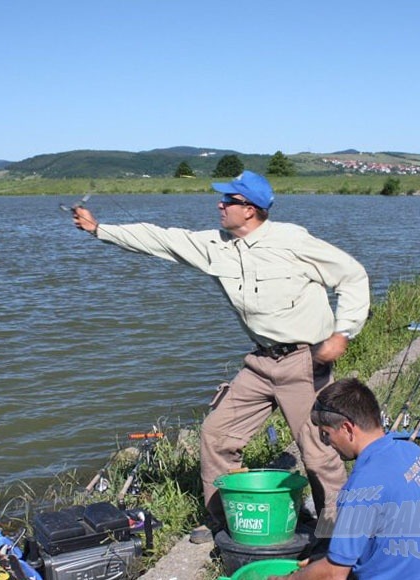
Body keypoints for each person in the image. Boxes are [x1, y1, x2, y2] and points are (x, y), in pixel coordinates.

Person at [70, 171, 370, 542]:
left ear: (249, 210)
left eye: (227, 200)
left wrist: (342, 333)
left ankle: (337, 528)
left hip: (304, 362)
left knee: (316, 448)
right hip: (261, 362)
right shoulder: (216, 245)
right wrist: (100, 229)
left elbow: (353, 275)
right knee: (215, 433)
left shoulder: (292, 240)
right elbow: (161, 239)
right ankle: (226, 519)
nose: (219, 204)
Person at [275, 377, 420, 579]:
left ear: (347, 429)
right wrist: (324, 562)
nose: (326, 443)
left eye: (326, 434)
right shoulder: (414, 453)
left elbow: (334, 574)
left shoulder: (362, 488)